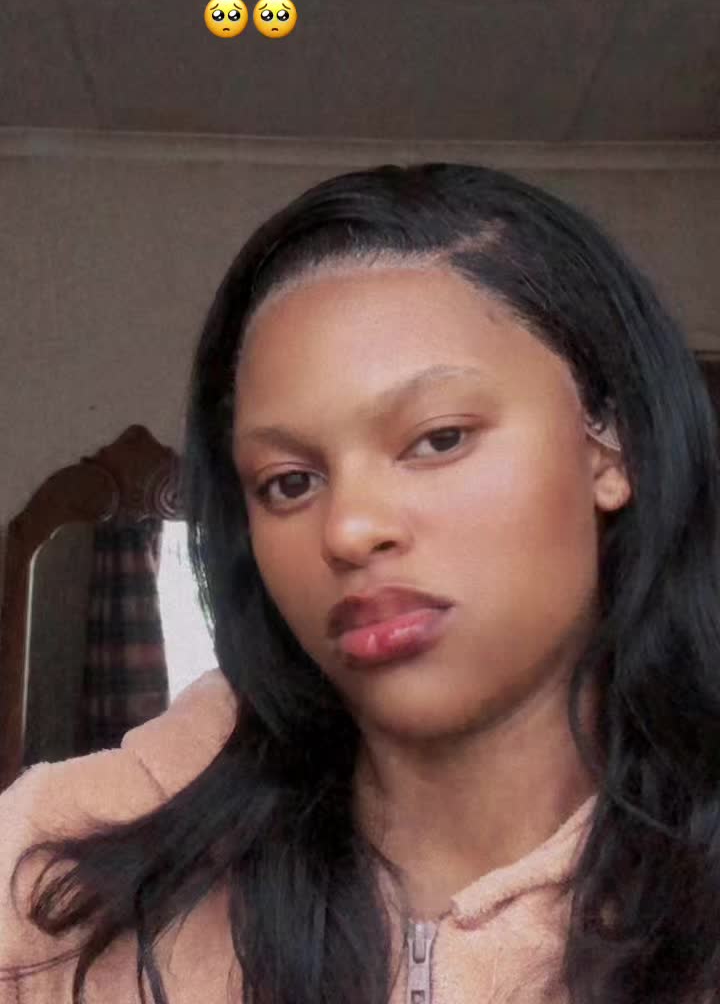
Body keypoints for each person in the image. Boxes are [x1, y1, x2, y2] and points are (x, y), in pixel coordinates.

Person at [1, 160, 719, 1004]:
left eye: (439, 439)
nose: (346, 529)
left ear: (612, 448)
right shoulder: (53, 874)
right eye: (289, 483)